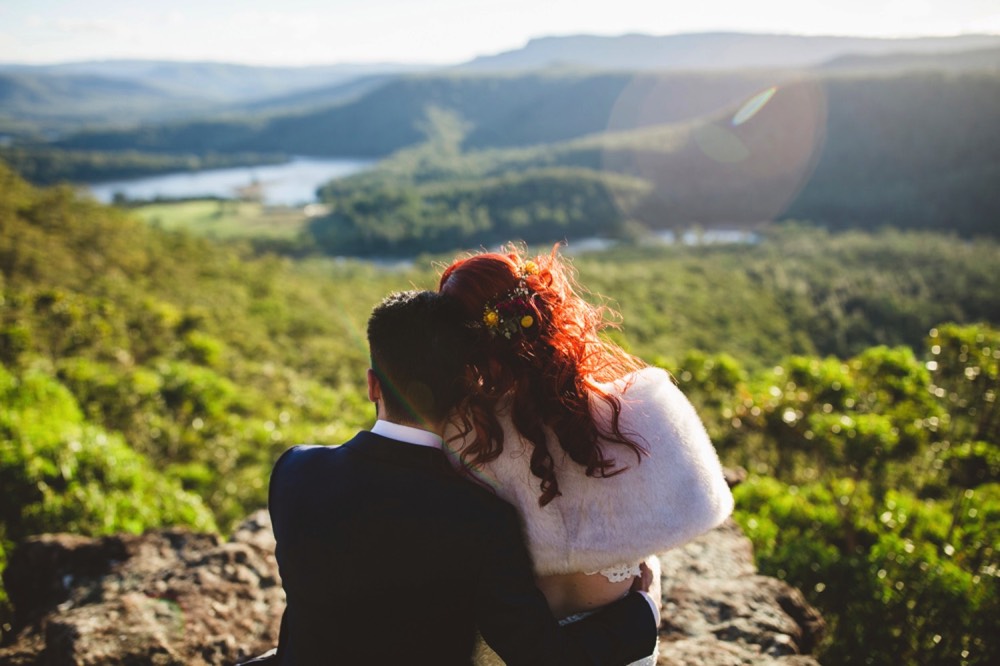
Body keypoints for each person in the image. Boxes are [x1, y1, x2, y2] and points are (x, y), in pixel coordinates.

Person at [264, 290, 660, 665]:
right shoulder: (482, 519)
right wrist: (645, 609)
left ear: (372, 385)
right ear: (466, 395)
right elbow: (542, 657)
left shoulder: (295, 471)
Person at [438, 246, 735, 665]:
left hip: (508, 649)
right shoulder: (641, 408)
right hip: (620, 634)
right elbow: (701, 506)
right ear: (548, 307)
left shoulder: (459, 431)